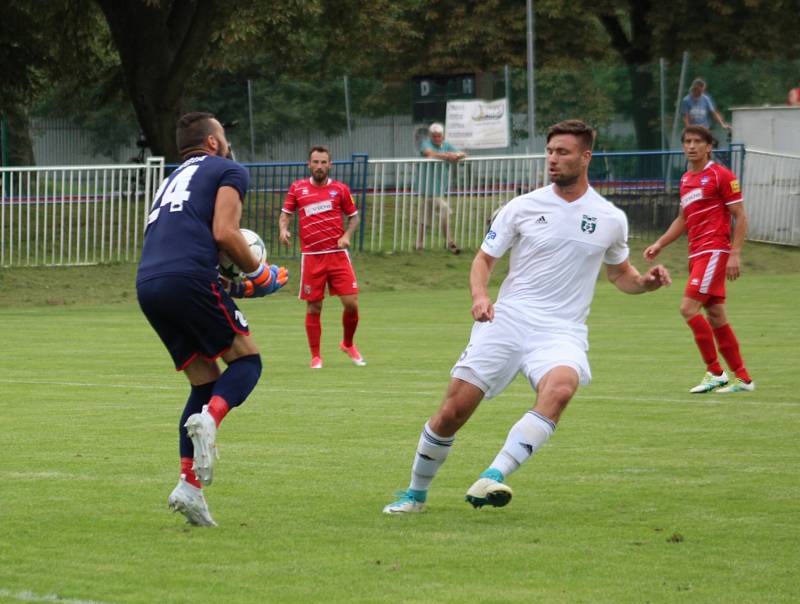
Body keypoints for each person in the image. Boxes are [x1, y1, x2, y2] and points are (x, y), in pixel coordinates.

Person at [383, 120, 672, 514]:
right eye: (550, 151)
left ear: (586, 157)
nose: (553, 159)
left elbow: (621, 274)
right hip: (507, 319)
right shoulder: (522, 206)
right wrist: (480, 296)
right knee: (454, 411)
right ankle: (415, 493)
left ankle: (494, 475)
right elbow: (483, 260)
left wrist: (647, 283)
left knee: (561, 390)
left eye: (563, 152)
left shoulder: (610, 218)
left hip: (561, 330)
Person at [136, 112, 289, 527]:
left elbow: (191, 245)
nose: (227, 143)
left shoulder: (169, 181)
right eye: (224, 135)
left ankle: (189, 488)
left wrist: (237, 287)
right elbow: (225, 232)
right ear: (212, 143)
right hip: (188, 277)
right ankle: (212, 419)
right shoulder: (228, 169)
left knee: (203, 380)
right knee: (247, 362)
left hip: (149, 284)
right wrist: (261, 274)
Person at [644, 125, 755, 394]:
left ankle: (715, 372)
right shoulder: (685, 180)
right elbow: (683, 219)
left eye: (697, 141)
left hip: (714, 251)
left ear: (709, 146)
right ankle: (743, 378)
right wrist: (660, 243)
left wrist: (734, 253)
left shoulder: (720, 175)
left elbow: (740, 215)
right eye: (687, 141)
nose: (691, 146)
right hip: (697, 254)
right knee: (715, 315)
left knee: (688, 308)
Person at [279, 145, 365, 369]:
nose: (319, 166)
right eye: (315, 162)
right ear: (309, 164)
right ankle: (316, 356)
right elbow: (285, 215)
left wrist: (347, 235)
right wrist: (283, 230)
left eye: (323, 162)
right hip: (312, 257)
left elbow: (354, 218)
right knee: (314, 307)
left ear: (330, 165)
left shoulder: (340, 189)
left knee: (351, 304)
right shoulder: (297, 188)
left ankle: (348, 344)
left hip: (337, 255)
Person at [418, 122, 466, 254]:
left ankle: (419, 244)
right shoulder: (426, 143)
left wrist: (456, 156)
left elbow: (463, 153)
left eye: (439, 136)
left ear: (442, 136)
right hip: (427, 186)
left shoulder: (446, 145)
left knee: (425, 217)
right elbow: (429, 153)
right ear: (430, 136)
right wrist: (447, 156)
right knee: (444, 209)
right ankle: (450, 242)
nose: (437, 138)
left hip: (439, 188)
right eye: (434, 136)